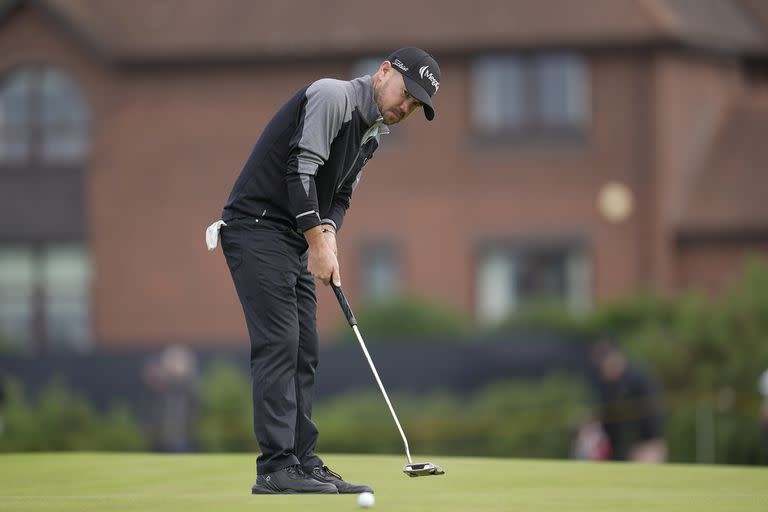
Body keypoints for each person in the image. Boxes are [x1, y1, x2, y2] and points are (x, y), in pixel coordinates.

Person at [206, 47, 441, 494]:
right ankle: (275, 469)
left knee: (305, 348)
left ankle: (303, 462)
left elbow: (340, 196)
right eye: (405, 94)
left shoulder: (371, 133)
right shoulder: (333, 96)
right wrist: (317, 240)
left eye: (415, 105)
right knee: (280, 343)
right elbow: (301, 170)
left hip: (290, 237)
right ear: (384, 71)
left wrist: (328, 235)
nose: (405, 107)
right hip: (256, 227)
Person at [588, 341, 667, 463]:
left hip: (646, 443)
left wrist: (651, 441)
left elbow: (653, 414)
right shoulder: (609, 386)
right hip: (620, 448)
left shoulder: (638, 378)